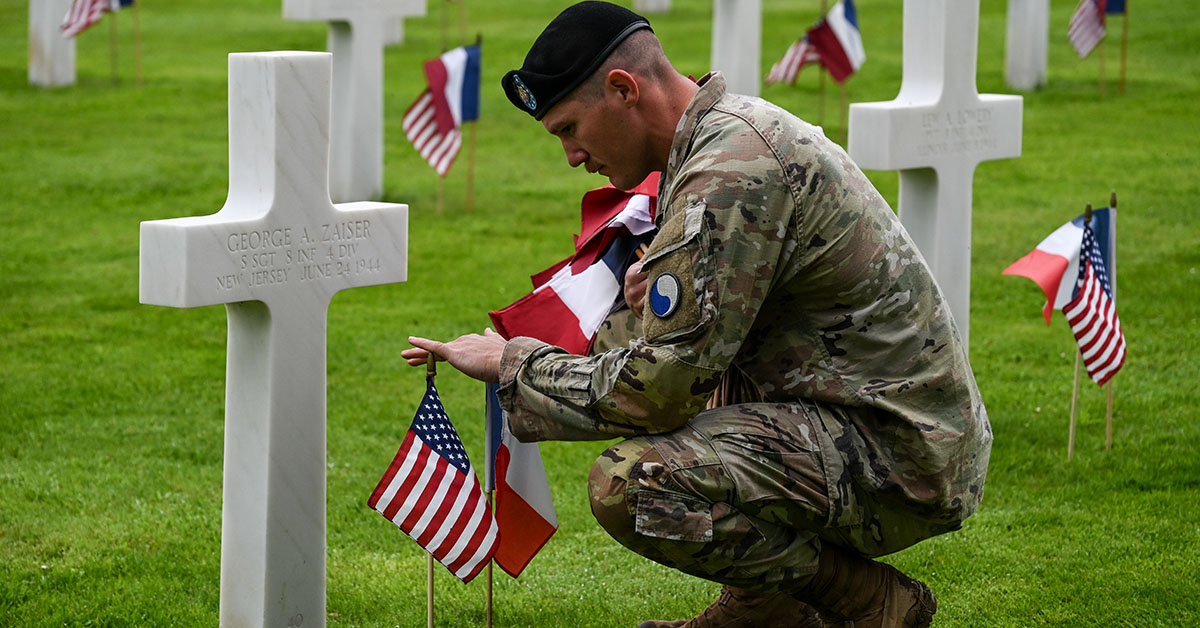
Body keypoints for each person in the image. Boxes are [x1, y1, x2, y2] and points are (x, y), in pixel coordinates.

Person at [402, 3, 992, 626]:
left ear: (624, 89)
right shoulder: (718, 144)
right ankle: (763, 611)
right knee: (695, 404)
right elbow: (690, 354)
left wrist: (512, 363)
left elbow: (657, 393)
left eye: (569, 128)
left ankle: (868, 601)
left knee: (632, 484)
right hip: (870, 419)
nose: (572, 156)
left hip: (900, 454)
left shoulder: (729, 171)